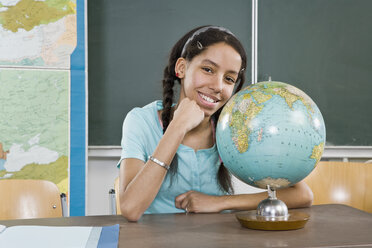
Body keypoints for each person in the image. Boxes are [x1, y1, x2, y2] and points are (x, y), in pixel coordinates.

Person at [118, 25, 313, 221]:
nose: (218, 86)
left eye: (229, 79)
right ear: (181, 68)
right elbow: (130, 208)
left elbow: (301, 194)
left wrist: (220, 202)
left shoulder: (234, 127)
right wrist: (177, 127)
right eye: (208, 69)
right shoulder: (141, 121)